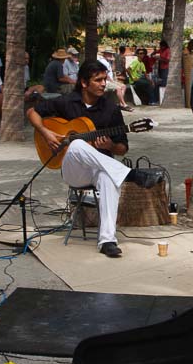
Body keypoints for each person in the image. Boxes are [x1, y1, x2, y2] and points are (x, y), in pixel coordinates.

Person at [27, 60, 162, 258]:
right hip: (73, 170)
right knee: (77, 145)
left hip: (100, 168)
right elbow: (32, 113)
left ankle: (107, 240)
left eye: (104, 79)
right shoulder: (66, 101)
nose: (103, 84)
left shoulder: (111, 109)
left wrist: (110, 146)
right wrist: (46, 133)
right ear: (83, 82)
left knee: (108, 177)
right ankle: (131, 175)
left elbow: (122, 148)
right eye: (98, 80)